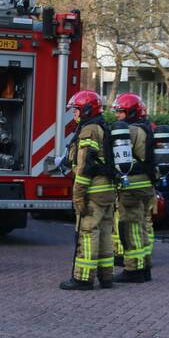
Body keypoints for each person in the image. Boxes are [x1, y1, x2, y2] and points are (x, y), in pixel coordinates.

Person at [60, 90, 116, 291]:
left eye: (76, 110)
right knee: (104, 233)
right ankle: (106, 277)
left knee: (88, 232)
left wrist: (78, 195)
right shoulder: (102, 126)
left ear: (85, 109)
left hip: (94, 190)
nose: (74, 114)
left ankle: (83, 279)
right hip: (108, 189)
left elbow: (84, 166)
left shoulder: (89, 130)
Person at [112, 92, 155, 283]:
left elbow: (119, 157)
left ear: (130, 112)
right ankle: (144, 267)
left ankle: (133, 270)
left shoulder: (130, 131)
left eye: (121, 112)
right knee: (142, 227)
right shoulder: (147, 128)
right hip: (147, 184)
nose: (117, 116)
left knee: (130, 228)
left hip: (133, 185)